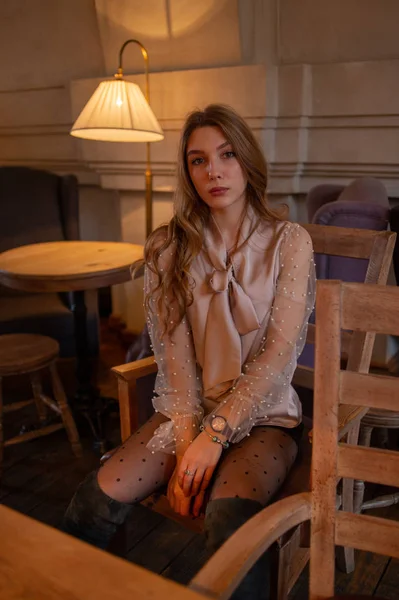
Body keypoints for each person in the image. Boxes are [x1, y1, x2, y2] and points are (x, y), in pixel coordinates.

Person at [62, 104, 315, 599]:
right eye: (198, 160)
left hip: (265, 416)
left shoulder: (290, 241)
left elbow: (278, 355)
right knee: (93, 501)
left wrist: (214, 437)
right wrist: (186, 444)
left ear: (247, 161)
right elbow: (176, 365)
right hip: (190, 413)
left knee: (229, 529)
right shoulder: (167, 248)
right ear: (188, 172)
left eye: (226, 155)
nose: (213, 171)